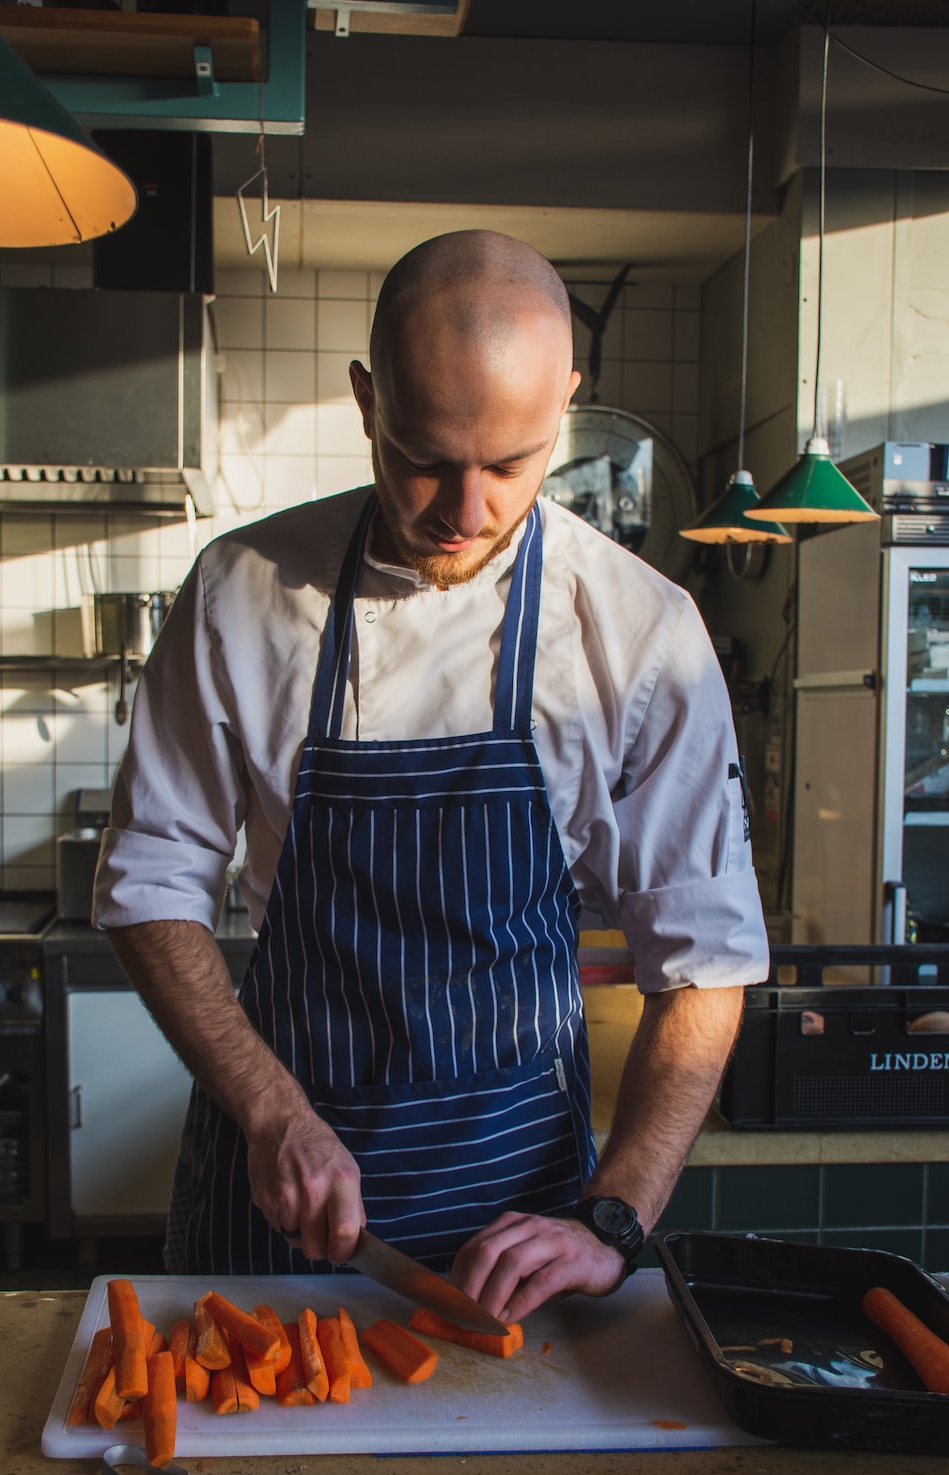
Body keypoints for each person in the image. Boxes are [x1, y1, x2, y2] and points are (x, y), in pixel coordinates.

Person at [93, 229, 769, 1325]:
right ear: (367, 401)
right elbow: (147, 886)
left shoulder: (643, 633)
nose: (465, 510)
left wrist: (613, 1218)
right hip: (279, 1194)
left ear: (568, 402)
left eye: (511, 464)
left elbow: (707, 962)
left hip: (523, 1222)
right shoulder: (241, 595)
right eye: (424, 457)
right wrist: (271, 1112)